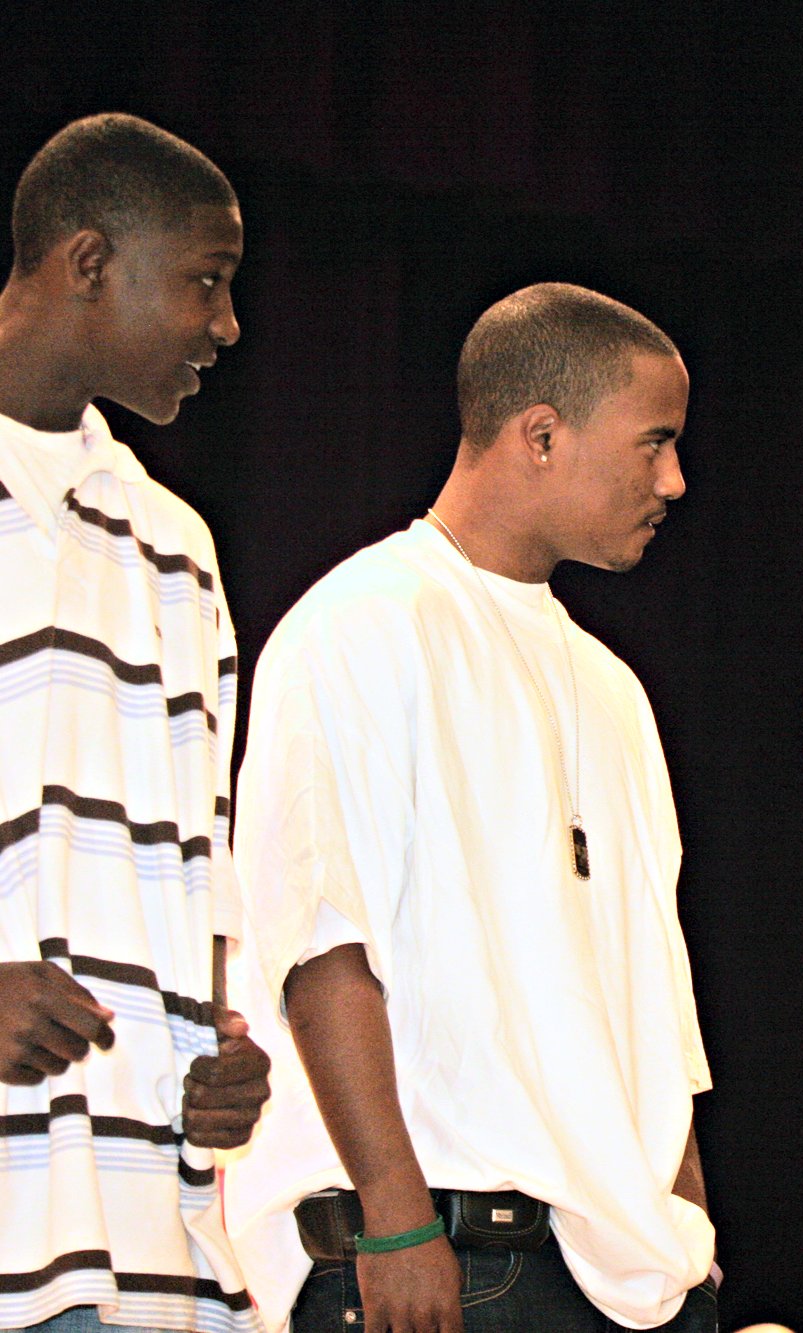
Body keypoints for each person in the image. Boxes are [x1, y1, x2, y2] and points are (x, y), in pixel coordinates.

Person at [221, 283, 718, 1332]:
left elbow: (651, 1003)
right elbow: (319, 945)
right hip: (439, 1256)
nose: (675, 479)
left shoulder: (613, 687)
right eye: (653, 442)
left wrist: (686, 1241)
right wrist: (397, 1225)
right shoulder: (359, 626)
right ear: (540, 433)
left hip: (620, 1274)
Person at [0, 113, 270, 1333]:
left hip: (144, 1233)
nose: (226, 326)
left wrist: (223, 1043)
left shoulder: (176, 545)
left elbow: (197, 855)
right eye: (205, 282)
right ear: (90, 263)